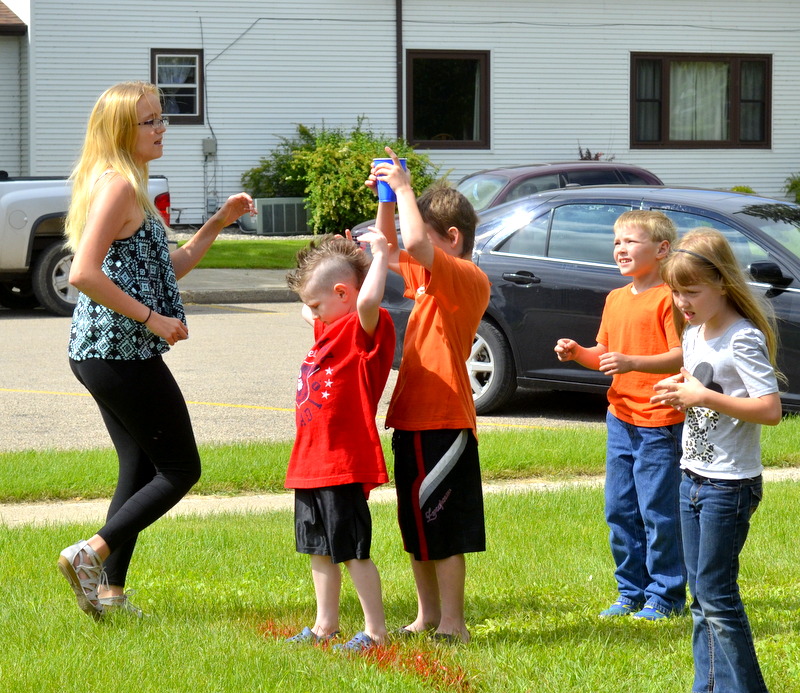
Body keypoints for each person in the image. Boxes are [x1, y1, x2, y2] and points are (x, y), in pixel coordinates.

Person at [57, 81, 255, 619]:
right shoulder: (119, 186)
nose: (161, 128)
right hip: (117, 352)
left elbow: (168, 267)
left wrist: (217, 223)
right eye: (150, 121)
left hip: (105, 352)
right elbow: (83, 273)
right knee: (180, 468)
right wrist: (153, 319)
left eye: (160, 118)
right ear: (123, 130)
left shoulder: (127, 185)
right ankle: (90, 553)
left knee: (140, 465)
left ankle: (110, 594)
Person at [368, 147, 491, 643]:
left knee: (444, 527)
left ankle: (454, 624)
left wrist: (404, 188)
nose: (416, 247)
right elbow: (387, 245)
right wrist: (386, 196)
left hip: (445, 421)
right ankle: (427, 615)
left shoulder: (466, 278)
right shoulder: (429, 276)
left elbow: (415, 241)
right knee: (417, 526)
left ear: (452, 238)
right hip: (412, 418)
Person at [652, 228, 781, 693]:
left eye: (691, 291)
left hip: (729, 484)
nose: (681, 302)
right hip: (692, 477)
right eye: (675, 291)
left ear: (722, 283)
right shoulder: (693, 333)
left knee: (717, 597)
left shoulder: (741, 338)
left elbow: (770, 409)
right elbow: (699, 388)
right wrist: (681, 392)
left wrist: (702, 396)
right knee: (700, 597)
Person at [554, 210, 686, 620]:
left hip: (659, 422)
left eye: (631, 241)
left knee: (658, 512)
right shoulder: (615, 298)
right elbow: (605, 355)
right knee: (620, 509)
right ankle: (631, 591)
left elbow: (681, 355)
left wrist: (632, 362)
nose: (621, 249)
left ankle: (665, 595)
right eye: (617, 242)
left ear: (662, 249)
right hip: (621, 419)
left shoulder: (669, 297)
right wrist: (579, 353)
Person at [283, 232, 396, 652]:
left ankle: (375, 632)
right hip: (310, 464)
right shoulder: (329, 326)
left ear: (344, 294)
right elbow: (308, 302)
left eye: (318, 305)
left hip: (341, 463)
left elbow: (367, 301)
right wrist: (337, 253)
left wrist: (379, 255)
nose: (312, 313)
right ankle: (323, 626)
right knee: (318, 548)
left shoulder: (363, 328)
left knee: (352, 551)